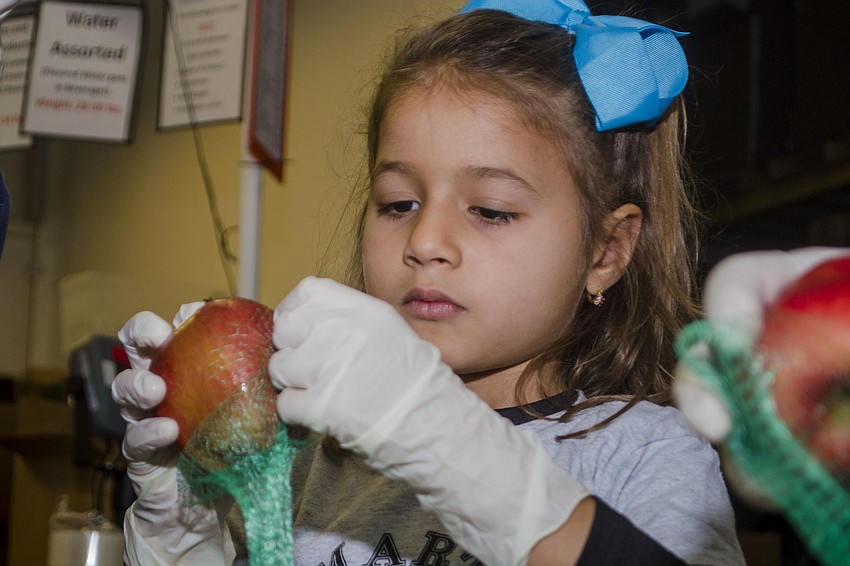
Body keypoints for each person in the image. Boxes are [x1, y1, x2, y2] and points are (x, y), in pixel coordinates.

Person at [112, 1, 747, 564]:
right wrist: (185, 541)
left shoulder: (642, 453)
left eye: (490, 210)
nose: (424, 241)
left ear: (606, 251)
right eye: (398, 204)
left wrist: (448, 446)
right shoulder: (305, 461)